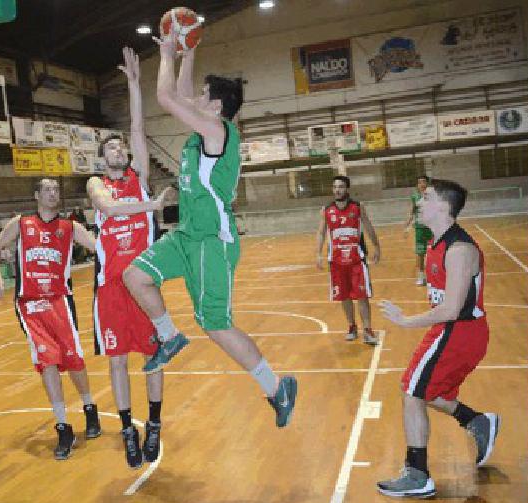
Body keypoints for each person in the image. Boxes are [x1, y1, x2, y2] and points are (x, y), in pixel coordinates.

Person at [122, 32, 298, 429]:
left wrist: (165, 51)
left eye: (201, 96)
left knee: (216, 324)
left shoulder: (218, 133)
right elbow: (182, 94)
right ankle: (169, 336)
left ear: (215, 105)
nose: (193, 100)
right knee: (135, 275)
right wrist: (190, 49)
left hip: (212, 242)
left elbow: (168, 98)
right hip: (187, 234)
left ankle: (276, 388)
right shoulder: (208, 127)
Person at [377, 179, 500, 498]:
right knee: (427, 391)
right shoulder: (436, 243)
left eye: (426, 197)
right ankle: (475, 421)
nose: (419, 201)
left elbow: (451, 309)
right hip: (449, 331)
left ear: (443, 207)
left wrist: (406, 321)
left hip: (460, 332)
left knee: (413, 392)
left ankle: (417, 474)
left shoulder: (460, 249)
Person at [87, 47, 174, 468]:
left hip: (143, 282)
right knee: (118, 361)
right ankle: (127, 427)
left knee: (153, 356)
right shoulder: (95, 184)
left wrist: (135, 85)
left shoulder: (139, 176)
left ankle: (154, 423)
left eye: (122, 147)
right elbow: (108, 209)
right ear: (102, 159)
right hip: (110, 287)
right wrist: (151, 209)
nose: (119, 151)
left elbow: (139, 127)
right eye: (112, 149)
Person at [0, 179, 102, 461]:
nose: (54, 194)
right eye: (48, 190)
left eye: (56, 190)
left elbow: (101, 247)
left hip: (61, 301)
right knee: (47, 360)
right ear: (37, 195)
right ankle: (63, 426)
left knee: (74, 359)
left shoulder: (70, 227)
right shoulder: (22, 223)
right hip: (29, 305)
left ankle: (90, 409)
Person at [315, 176, 381, 345]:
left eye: (341, 186)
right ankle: (352, 326)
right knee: (344, 296)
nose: (337, 190)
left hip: (356, 259)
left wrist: (376, 246)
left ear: (347, 189)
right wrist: (318, 254)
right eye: (335, 187)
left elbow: (368, 226)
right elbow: (321, 232)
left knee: (362, 295)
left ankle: (367, 329)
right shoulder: (326, 210)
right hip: (336, 261)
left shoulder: (357, 207)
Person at [405, 176, 433, 286]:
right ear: (417, 185)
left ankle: (434, 276)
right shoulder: (415, 196)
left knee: (434, 252)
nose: (422, 184)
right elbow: (412, 211)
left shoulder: (433, 196)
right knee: (420, 253)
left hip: (431, 228)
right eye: (419, 182)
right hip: (420, 228)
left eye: (424, 182)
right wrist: (407, 223)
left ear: (427, 183)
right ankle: (421, 277)